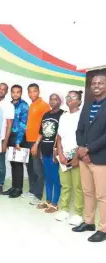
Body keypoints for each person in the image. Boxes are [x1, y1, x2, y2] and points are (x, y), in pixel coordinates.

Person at [73, 74, 106, 242]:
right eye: (94, 83)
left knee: (102, 195)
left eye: (100, 83)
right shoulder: (87, 105)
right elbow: (79, 130)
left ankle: (103, 229)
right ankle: (89, 222)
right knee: (88, 192)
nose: (97, 85)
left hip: (100, 158)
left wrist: (88, 150)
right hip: (84, 157)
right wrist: (81, 149)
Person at [55, 90, 84, 225]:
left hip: (77, 153)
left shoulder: (82, 115)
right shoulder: (63, 116)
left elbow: (85, 137)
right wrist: (59, 153)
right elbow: (59, 137)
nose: (69, 99)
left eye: (73, 97)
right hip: (64, 154)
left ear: (79, 101)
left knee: (78, 186)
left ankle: (78, 213)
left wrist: (77, 155)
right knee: (65, 184)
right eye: (68, 97)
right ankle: (64, 209)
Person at [34, 93, 64, 213]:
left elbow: (62, 134)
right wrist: (37, 145)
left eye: (55, 99)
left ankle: (55, 203)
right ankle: (48, 201)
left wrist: (57, 149)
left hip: (55, 150)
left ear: (60, 101)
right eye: (51, 99)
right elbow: (41, 133)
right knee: (48, 177)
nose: (53, 101)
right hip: (44, 149)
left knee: (56, 178)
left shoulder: (63, 115)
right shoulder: (46, 115)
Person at [25, 83, 50, 205]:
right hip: (29, 141)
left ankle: (38, 195)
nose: (31, 94)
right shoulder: (32, 105)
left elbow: (45, 127)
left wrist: (36, 143)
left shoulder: (44, 105)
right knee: (30, 168)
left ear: (39, 91)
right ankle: (33, 190)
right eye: (29, 92)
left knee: (38, 169)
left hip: (37, 142)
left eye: (34, 91)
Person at [2, 85, 29, 198]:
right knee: (13, 163)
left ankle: (18, 189)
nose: (15, 94)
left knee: (18, 164)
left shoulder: (24, 105)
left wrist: (18, 141)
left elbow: (23, 125)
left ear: (21, 93)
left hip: (19, 137)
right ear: (11, 93)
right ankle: (13, 186)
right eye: (13, 92)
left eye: (18, 92)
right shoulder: (9, 104)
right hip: (10, 136)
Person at [0, 83, 15, 194]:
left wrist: (5, 142)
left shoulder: (8, 105)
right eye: (0, 88)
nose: (1, 90)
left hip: (1, 138)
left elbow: (9, 125)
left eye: (4, 89)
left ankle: (0, 184)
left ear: (6, 92)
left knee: (0, 164)